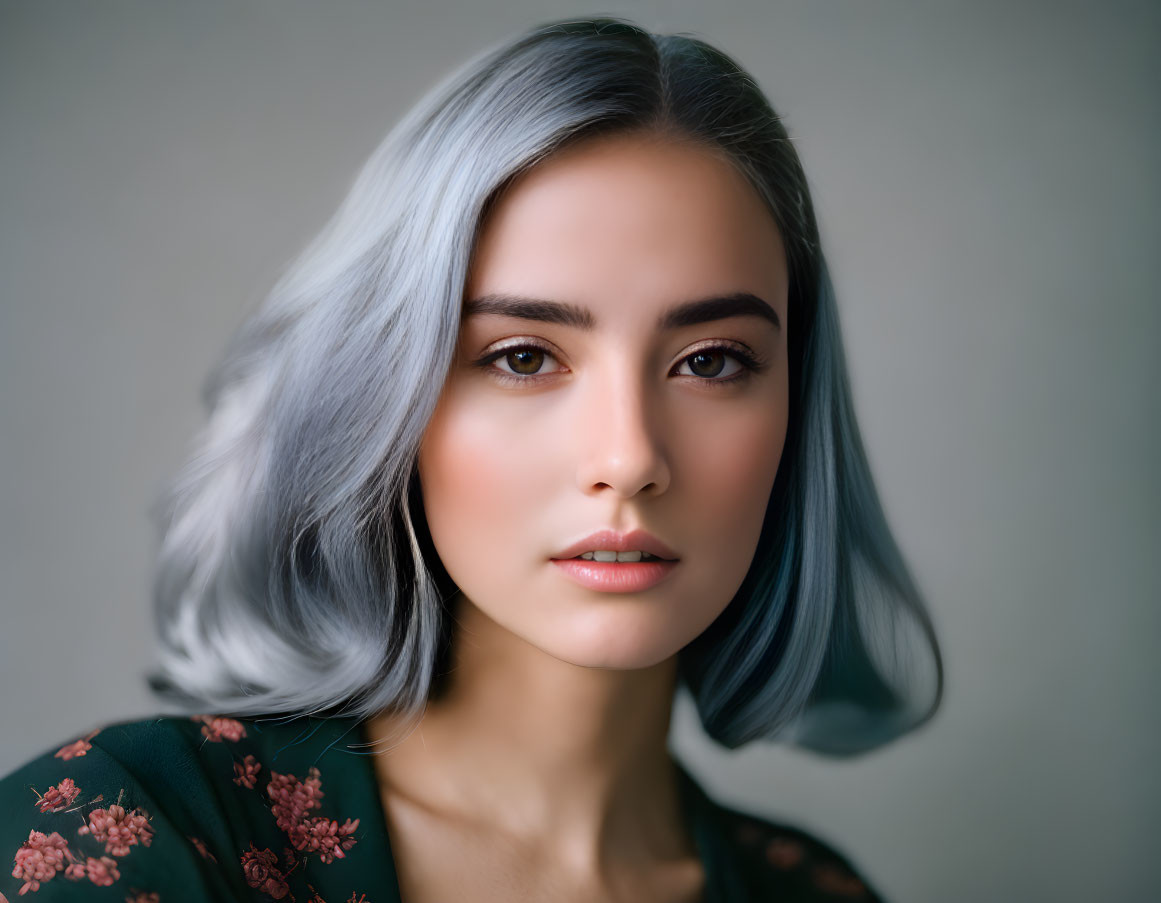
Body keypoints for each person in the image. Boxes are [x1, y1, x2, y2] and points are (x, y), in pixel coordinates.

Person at [0, 16, 942, 902]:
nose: (629, 458)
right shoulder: (133, 837)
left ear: (792, 407)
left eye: (710, 361)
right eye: (523, 357)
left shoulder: (811, 892)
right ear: (387, 397)